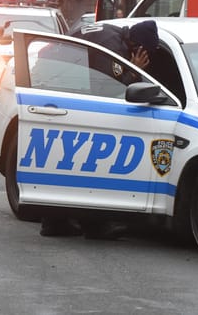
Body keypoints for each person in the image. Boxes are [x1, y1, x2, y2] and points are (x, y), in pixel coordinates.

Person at [39, 20, 159, 239]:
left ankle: (55, 222)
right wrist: (134, 71)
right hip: (66, 95)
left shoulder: (112, 31)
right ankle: (92, 225)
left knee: (63, 164)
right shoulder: (114, 49)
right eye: (146, 53)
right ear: (138, 46)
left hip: (54, 90)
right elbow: (106, 90)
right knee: (87, 165)